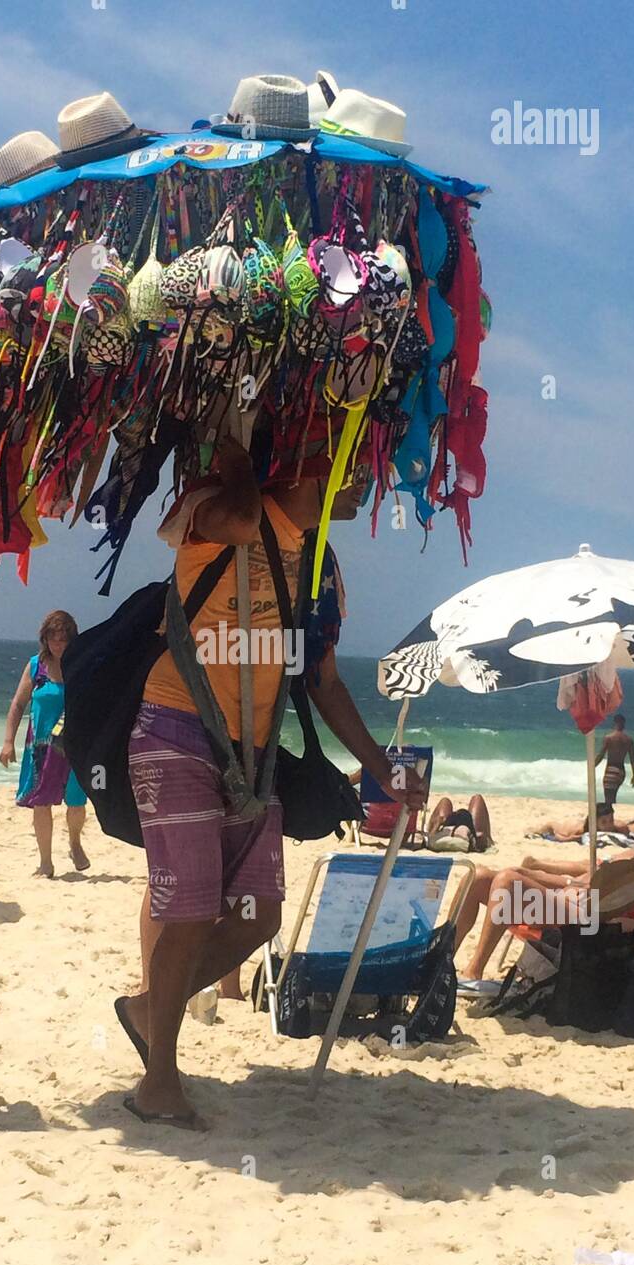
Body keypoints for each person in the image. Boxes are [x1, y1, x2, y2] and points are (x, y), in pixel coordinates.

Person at [115, 437, 425, 1130]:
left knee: (260, 914)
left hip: (252, 752)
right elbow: (238, 523)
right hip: (175, 729)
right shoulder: (208, 507)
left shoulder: (321, 567)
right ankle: (158, 1080)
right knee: (190, 911)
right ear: (308, 462)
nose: (365, 487)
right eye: (352, 468)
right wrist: (235, 460)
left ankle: (146, 1008)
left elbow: (323, 680)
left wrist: (383, 770)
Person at [454, 803, 634, 993]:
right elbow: (584, 875)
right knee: (479, 877)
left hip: (594, 919)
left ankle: (473, 972)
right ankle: (442, 961)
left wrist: (610, 884)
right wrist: (540, 871)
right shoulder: (632, 852)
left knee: (508, 880)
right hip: (566, 902)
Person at [1, 610, 89, 877]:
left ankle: (74, 842)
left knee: (76, 802)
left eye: (63, 639)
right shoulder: (36, 666)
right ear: (45, 639)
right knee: (42, 802)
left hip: (75, 745)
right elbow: (18, 704)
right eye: (53, 638)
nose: (58, 644)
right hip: (41, 748)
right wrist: (8, 742)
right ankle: (46, 862)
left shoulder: (81, 665)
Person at [427, 795, 492, 851]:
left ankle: (438, 826)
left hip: (443, 835)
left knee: (445, 801)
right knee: (477, 798)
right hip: (463, 837)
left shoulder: (434, 843)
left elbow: (431, 837)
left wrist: (436, 826)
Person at [595, 714, 634, 803]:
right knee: (613, 797)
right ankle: (610, 815)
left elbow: (601, 755)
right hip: (621, 770)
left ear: (614, 723)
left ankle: (609, 815)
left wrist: (592, 766)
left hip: (611, 769)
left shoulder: (609, 738)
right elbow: (633, 758)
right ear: (624, 724)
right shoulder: (628, 739)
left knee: (608, 798)